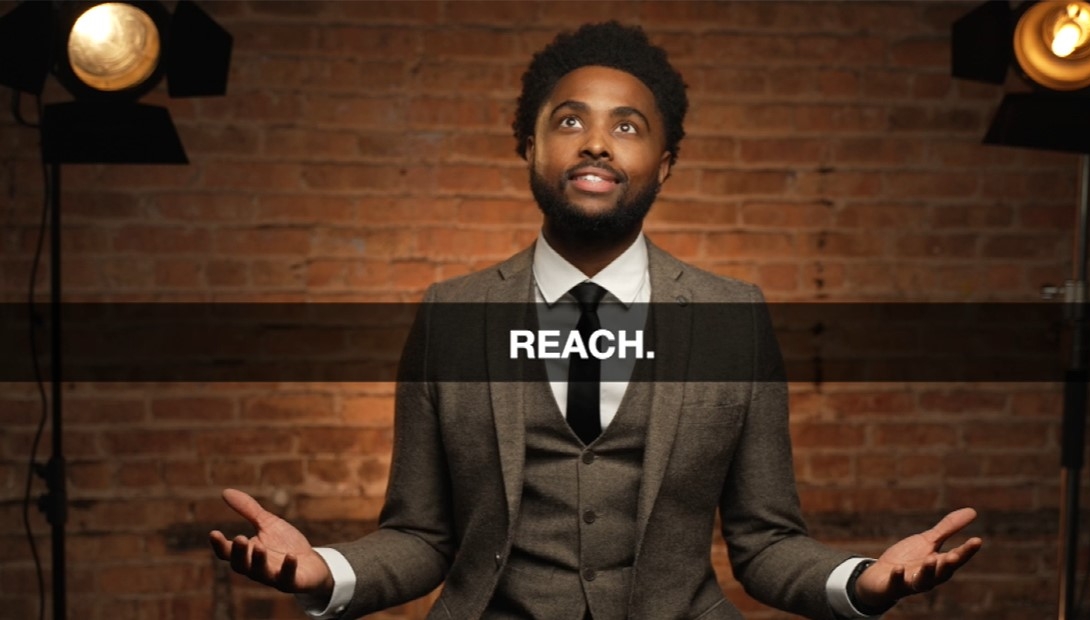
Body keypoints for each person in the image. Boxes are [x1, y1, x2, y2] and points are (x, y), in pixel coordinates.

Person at [210, 22, 982, 620]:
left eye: (627, 126)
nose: (595, 143)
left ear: (666, 164)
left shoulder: (732, 318)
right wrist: (327, 572)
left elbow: (765, 542)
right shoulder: (452, 317)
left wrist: (862, 583)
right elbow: (423, 537)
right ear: (530, 145)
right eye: (570, 120)